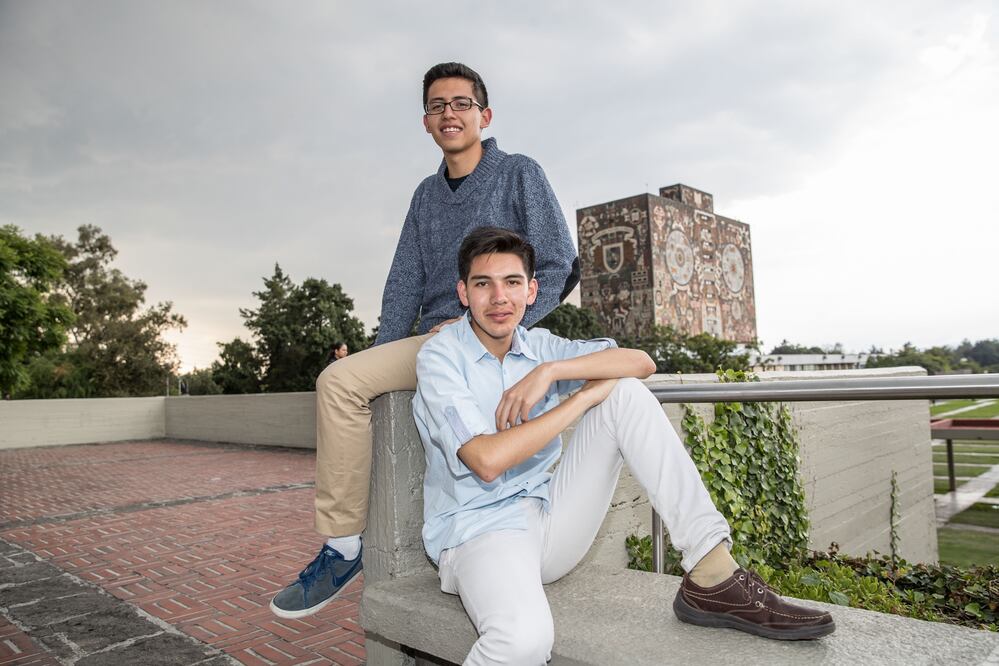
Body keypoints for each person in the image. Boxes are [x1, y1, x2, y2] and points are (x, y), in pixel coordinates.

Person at [412, 227, 835, 663]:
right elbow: (485, 460)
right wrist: (581, 397)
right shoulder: (441, 356)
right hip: (479, 533)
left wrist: (550, 372)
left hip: (549, 520)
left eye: (512, 282)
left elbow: (641, 363)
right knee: (523, 641)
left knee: (625, 393)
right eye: (484, 284)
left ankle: (712, 571)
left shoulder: (542, 348)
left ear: (532, 290)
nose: (499, 297)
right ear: (464, 293)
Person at [269, 63, 579, 618]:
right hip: (438, 339)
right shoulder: (424, 196)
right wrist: (382, 351)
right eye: (438, 106)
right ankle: (342, 547)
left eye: (461, 103)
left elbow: (560, 263)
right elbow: (403, 284)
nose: (449, 113)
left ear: (484, 116)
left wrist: (507, 327)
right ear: (426, 123)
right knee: (339, 382)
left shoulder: (518, 173)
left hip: (500, 330)